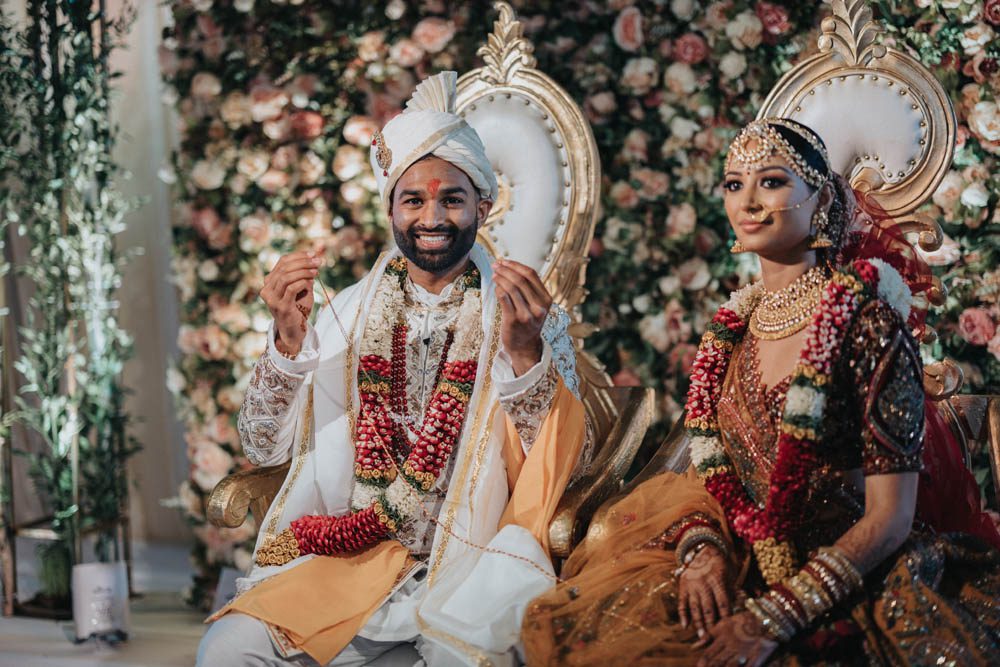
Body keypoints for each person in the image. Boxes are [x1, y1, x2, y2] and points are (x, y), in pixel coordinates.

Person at [521, 118, 1000, 666]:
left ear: (819, 200)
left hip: (858, 577)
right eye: (733, 184)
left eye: (771, 181)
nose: (748, 201)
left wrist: (777, 617)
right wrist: (702, 549)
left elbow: (891, 518)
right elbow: (709, 474)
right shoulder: (734, 330)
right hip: (744, 558)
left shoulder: (866, 322)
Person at [197, 71, 589, 667]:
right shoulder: (348, 312)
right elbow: (261, 445)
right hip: (347, 560)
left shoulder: (523, 315)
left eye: (451, 199)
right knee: (226, 652)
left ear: (483, 206)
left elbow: (566, 466)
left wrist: (526, 354)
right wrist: (286, 342)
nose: (432, 216)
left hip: (468, 563)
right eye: (415, 198)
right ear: (390, 208)